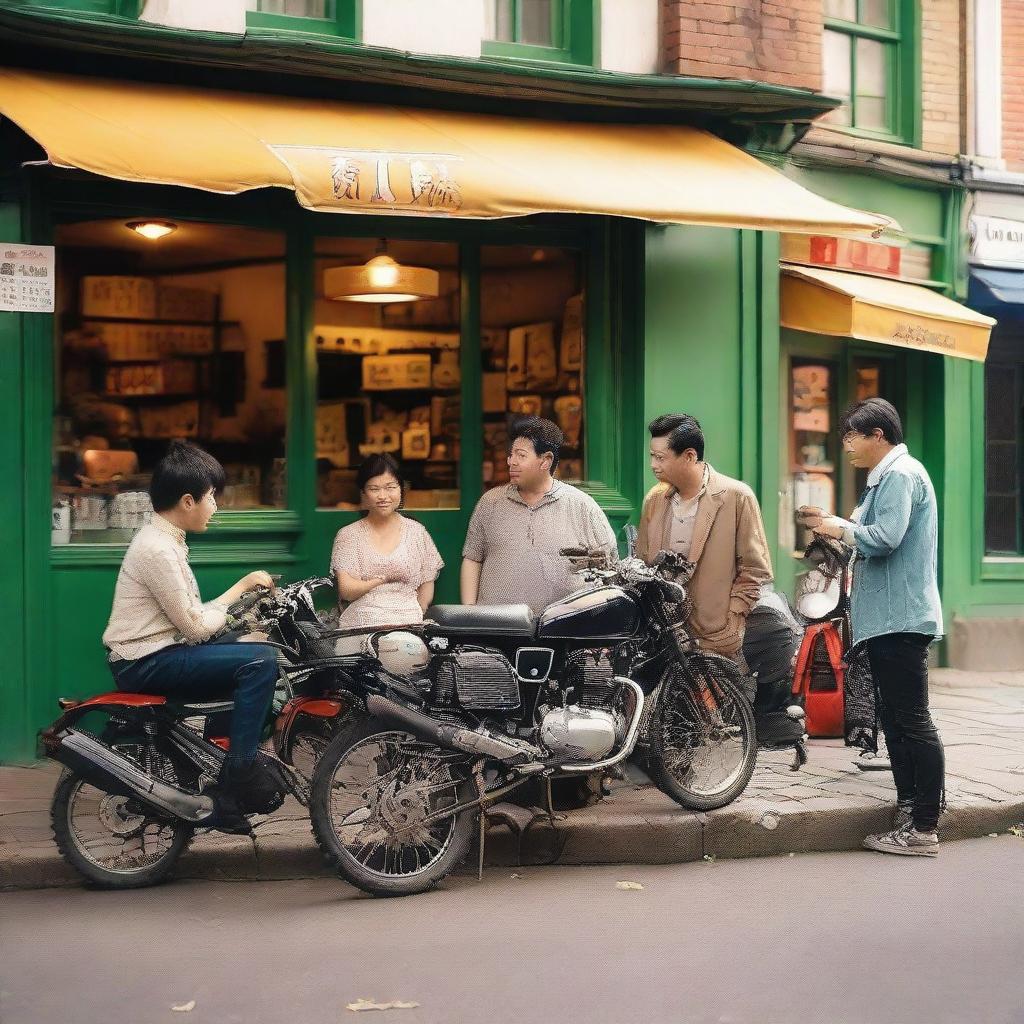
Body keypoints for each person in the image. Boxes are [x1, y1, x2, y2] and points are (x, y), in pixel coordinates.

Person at [102, 441, 281, 829]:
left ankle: (218, 760)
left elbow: (194, 617)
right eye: (211, 497)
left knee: (246, 647)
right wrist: (239, 594)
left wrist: (241, 596)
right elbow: (197, 627)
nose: (214, 506)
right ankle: (240, 771)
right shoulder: (158, 550)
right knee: (261, 660)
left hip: (160, 653)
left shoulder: (167, 541)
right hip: (145, 662)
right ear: (187, 501)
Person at [801, 398, 944, 857]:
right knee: (896, 721)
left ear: (878, 436)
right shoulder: (885, 478)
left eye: (852, 436)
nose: (846, 446)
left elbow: (885, 538)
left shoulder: (901, 475)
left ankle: (923, 827)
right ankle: (910, 813)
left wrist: (838, 526)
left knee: (911, 720)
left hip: (900, 617)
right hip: (886, 618)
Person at [635, 413, 772, 662]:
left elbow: (755, 569)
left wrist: (733, 618)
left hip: (717, 638)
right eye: (651, 456)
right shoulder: (654, 499)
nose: (653, 464)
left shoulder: (736, 496)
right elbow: (642, 562)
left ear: (689, 456)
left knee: (720, 701)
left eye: (660, 458)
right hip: (663, 640)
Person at [461, 416, 617, 616]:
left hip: (563, 629)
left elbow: (609, 567)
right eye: (511, 455)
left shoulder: (581, 506)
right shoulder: (490, 502)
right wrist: (469, 613)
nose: (511, 462)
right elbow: (473, 558)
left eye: (521, 455)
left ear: (546, 460)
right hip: (497, 626)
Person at [331, 454, 443, 650]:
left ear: (401, 489)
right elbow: (346, 590)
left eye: (390, 487)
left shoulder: (417, 532)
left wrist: (417, 612)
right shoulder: (349, 535)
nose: (383, 496)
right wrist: (380, 580)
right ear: (363, 494)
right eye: (374, 489)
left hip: (407, 625)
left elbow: (426, 584)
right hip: (361, 626)